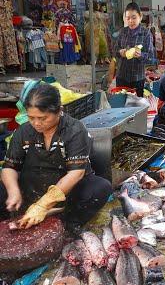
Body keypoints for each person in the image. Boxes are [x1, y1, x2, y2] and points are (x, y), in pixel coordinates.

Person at [0, 84, 112, 232]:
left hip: (66, 189)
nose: (36, 123)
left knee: (100, 188)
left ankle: (67, 222)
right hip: (32, 185)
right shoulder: (24, 131)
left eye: (43, 118)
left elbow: (76, 173)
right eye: (31, 117)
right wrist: (13, 191)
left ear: (59, 111)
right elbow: (10, 167)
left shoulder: (75, 130)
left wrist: (43, 204)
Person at [113, 2, 155, 97]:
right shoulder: (122, 32)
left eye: (134, 17)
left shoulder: (146, 34)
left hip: (137, 79)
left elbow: (151, 57)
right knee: (121, 106)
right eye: (128, 18)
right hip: (122, 77)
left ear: (140, 17)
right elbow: (115, 50)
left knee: (136, 107)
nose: (131, 21)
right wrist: (120, 52)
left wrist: (141, 55)